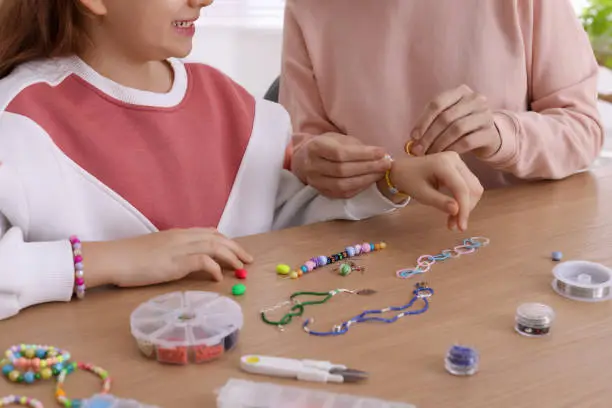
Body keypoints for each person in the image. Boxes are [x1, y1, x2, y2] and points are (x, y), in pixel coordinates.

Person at [0, 0, 483, 320]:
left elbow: (276, 225)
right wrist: (111, 260)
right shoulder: (18, 120)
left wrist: (389, 181)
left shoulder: (229, 101)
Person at [280, 0, 605, 198]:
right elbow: (301, 149)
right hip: (369, 240)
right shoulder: (307, 8)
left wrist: (501, 134)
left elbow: (581, 129)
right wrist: (312, 163)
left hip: (506, 236)